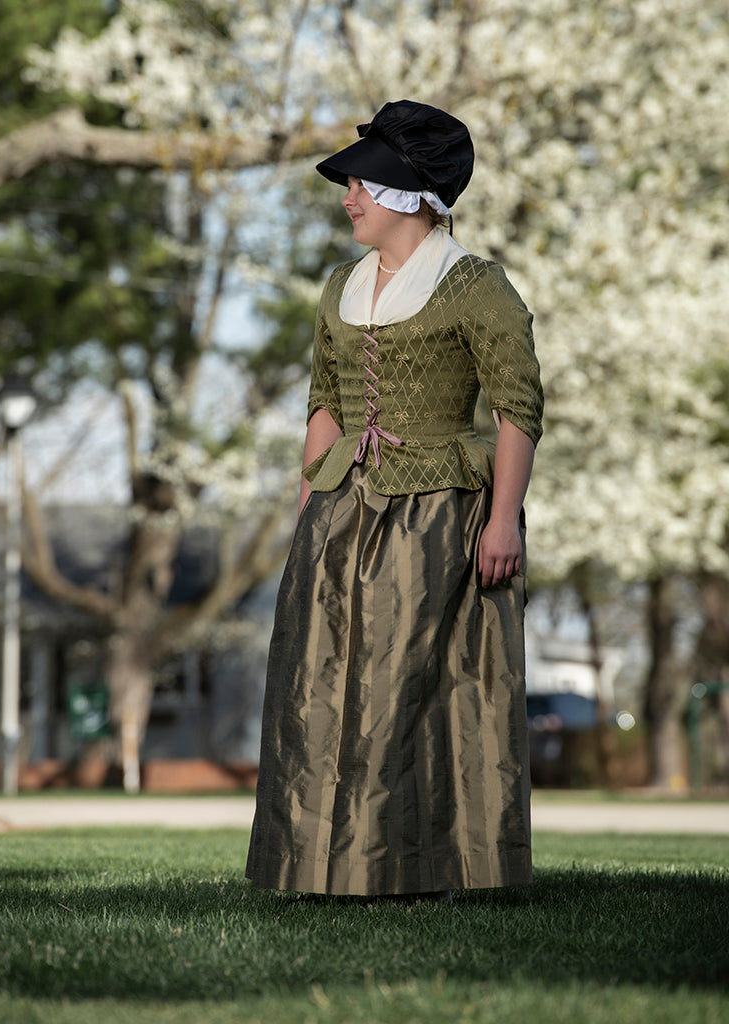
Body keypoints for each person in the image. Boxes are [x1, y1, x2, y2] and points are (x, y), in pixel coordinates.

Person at [246, 99, 543, 899]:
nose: (348, 197)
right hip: (343, 508)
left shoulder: (475, 285)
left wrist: (503, 520)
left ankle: (419, 864)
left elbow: (518, 408)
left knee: (410, 686)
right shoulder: (339, 287)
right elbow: (325, 405)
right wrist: (308, 518)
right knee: (320, 681)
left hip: (439, 512)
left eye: (363, 184)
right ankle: (319, 862)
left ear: (409, 193)